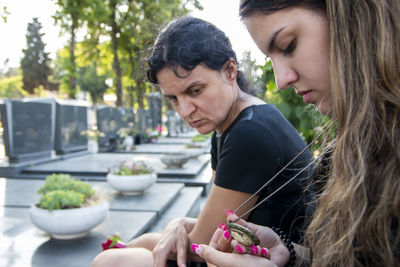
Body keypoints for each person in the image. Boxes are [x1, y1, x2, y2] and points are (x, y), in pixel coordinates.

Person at [91, 16, 315, 267]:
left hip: (279, 259)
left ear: (230, 71)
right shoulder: (226, 125)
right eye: (173, 99)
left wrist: (151, 238)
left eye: (195, 91)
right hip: (246, 253)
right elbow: (216, 223)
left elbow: (202, 244)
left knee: (115, 260)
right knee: (127, 254)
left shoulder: (251, 132)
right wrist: (177, 224)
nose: (185, 110)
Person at [191, 0, 400, 266]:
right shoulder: (345, 149)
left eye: (288, 45)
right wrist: (289, 254)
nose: (281, 81)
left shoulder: (250, 131)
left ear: (352, 17)